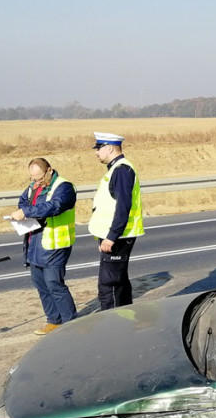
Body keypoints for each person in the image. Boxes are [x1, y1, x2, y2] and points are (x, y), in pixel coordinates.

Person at [9, 158, 77, 334]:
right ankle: (53, 320)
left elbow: (56, 205)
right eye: (32, 178)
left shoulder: (64, 187)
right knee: (40, 284)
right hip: (35, 241)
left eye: (38, 178)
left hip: (55, 244)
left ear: (49, 171)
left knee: (54, 283)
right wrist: (25, 210)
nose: (35, 182)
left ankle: (70, 323)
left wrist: (28, 211)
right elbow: (23, 201)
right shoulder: (34, 186)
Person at [88, 132, 144, 309]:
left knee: (109, 285)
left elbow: (122, 207)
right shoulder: (117, 169)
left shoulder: (121, 170)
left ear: (110, 148)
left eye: (99, 148)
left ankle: (111, 326)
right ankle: (125, 322)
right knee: (118, 282)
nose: (96, 152)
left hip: (118, 237)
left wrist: (111, 236)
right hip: (116, 235)